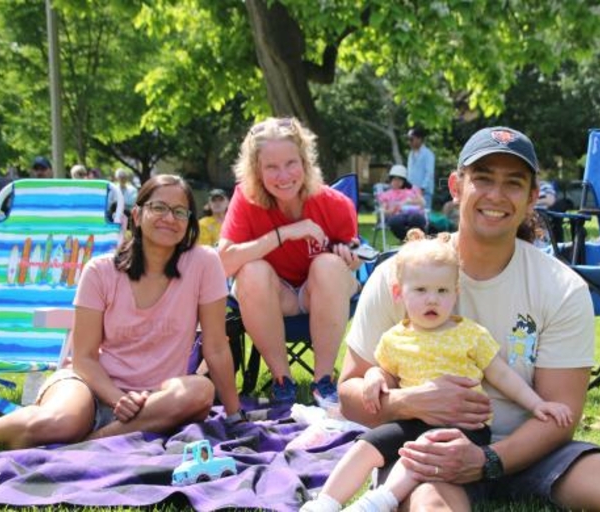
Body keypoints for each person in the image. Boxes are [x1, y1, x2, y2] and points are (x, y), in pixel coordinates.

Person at [337, 127, 600, 511]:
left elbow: (561, 414)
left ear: (532, 197)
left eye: (513, 183)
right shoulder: (403, 276)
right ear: (456, 187)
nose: (496, 195)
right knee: (429, 505)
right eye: (483, 179)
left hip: (530, 450)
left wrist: (488, 460)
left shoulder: (561, 287)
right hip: (427, 447)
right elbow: (351, 396)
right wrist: (409, 402)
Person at [302, 229, 571, 512]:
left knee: (424, 450)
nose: (432, 300)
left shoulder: (469, 334)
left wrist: (537, 404)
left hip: (465, 428)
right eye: (420, 290)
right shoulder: (395, 338)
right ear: (399, 293)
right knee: (366, 445)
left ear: (455, 294)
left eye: (442, 291)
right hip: (413, 419)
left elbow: (501, 375)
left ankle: (377, 502)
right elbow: (385, 373)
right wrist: (372, 377)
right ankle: (324, 503)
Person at [0, 174, 242, 449]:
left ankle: (90, 443)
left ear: (189, 222)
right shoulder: (100, 270)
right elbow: (84, 357)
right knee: (59, 423)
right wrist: (116, 399)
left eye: (179, 212)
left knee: (199, 391)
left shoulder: (204, 264)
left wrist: (235, 418)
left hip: (156, 401)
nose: (169, 218)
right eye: (158, 208)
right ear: (137, 215)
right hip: (91, 385)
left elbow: (217, 347)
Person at [218, 116, 362, 407]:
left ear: (305, 162)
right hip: (273, 296)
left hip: (318, 295)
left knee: (329, 265)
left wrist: (351, 258)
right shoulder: (246, 200)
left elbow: (354, 261)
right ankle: (282, 381)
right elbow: (223, 264)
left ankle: (324, 382)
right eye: (271, 166)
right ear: (256, 170)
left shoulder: (335, 204)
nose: (283, 176)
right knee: (251, 270)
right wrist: (284, 234)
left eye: (290, 163)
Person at [377, 164, 426, 241]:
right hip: (397, 215)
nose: (397, 182)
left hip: (413, 213)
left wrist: (410, 201)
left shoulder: (413, 190)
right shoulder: (386, 195)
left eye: (400, 180)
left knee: (416, 218)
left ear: (404, 181)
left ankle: (417, 240)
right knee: (395, 222)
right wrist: (390, 211)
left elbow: (422, 203)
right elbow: (383, 210)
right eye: (394, 179)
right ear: (390, 180)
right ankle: (408, 241)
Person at [406, 128, 436, 211]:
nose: (409, 142)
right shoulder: (410, 154)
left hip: (424, 192)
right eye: (408, 139)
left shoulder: (428, 154)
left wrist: (422, 189)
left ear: (419, 139)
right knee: (410, 214)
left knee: (424, 217)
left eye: (411, 139)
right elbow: (409, 173)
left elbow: (429, 173)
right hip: (411, 191)